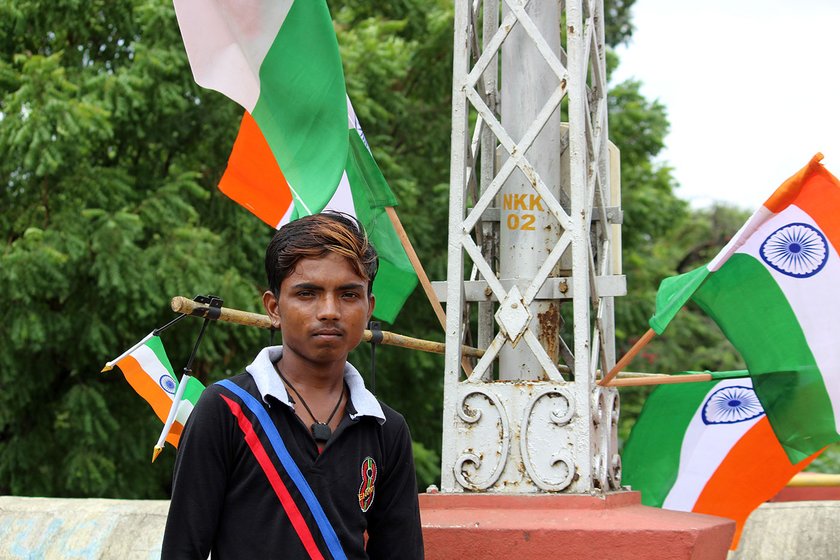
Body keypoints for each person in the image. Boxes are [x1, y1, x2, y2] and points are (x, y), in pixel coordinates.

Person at [162, 213, 424, 559]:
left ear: (368, 307)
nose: (329, 311)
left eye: (348, 294)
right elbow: (183, 549)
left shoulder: (385, 430)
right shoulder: (226, 410)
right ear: (274, 308)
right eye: (307, 293)